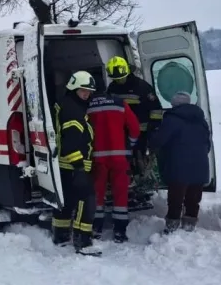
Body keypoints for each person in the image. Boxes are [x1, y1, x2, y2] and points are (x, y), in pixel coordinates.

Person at [51, 70, 101, 256]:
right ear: (73, 89)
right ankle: (83, 240)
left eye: (89, 91)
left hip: (65, 165)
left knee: (68, 201)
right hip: (74, 165)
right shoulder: (73, 110)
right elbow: (70, 142)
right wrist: (79, 168)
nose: (87, 94)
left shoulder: (69, 104)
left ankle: (61, 235)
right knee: (87, 200)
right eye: (83, 91)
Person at [148, 91, 212, 233]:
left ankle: (172, 228)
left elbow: (159, 140)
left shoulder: (172, 119)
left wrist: (151, 138)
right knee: (193, 199)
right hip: (200, 165)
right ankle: (189, 227)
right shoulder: (201, 120)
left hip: (178, 165)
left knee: (176, 199)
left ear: (174, 104)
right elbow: (208, 144)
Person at [87, 90, 141, 242]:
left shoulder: (88, 106)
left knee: (97, 193)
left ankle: (96, 228)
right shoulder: (119, 103)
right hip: (119, 156)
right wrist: (130, 144)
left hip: (97, 157)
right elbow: (135, 128)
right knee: (120, 193)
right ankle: (119, 231)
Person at [105, 56, 164, 175]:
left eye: (121, 78)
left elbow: (156, 108)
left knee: (139, 156)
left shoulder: (142, 87)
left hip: (141, 131)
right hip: (120, 131)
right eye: (116, 78)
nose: (119, 81)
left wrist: (154, 126)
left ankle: (141, 176)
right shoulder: (112, 88)